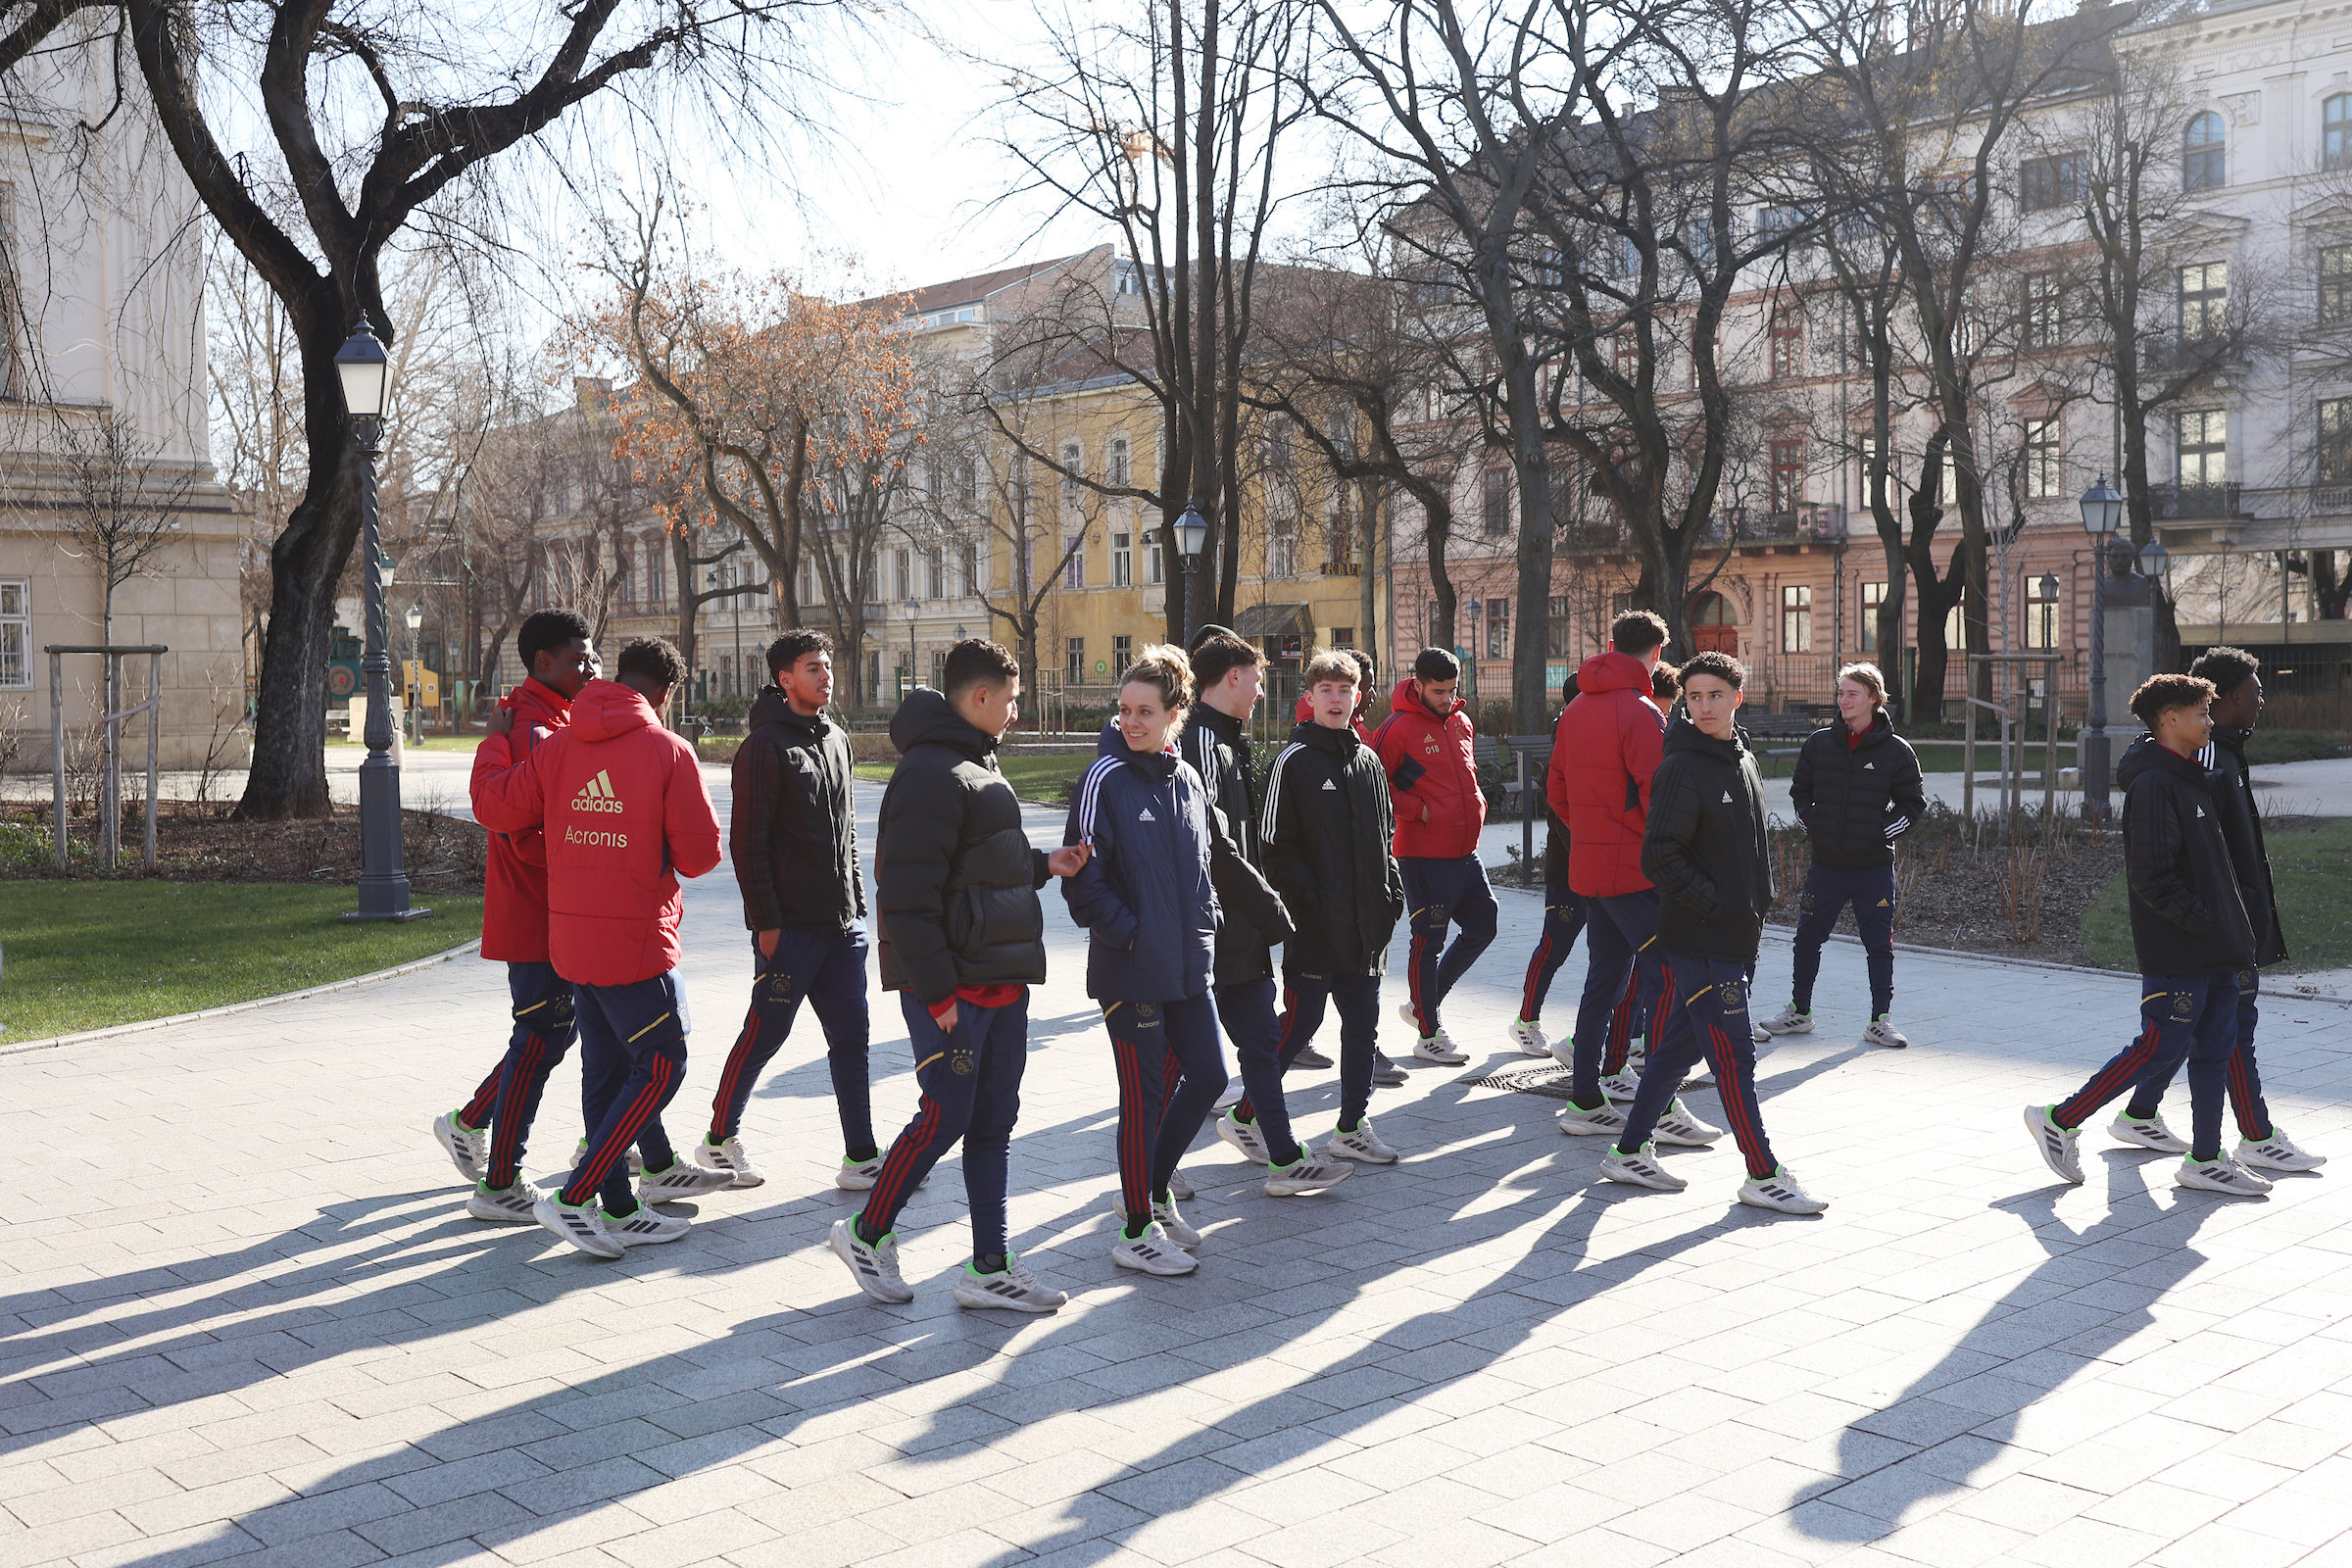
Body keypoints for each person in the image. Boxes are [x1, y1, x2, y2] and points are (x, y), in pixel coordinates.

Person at [829, 639, 1091, 1311]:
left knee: (993, 1120)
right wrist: (938, 993)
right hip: (955, 989)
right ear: (978, 698)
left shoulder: (973, 762)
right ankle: (866, 1230)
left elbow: (978, 864)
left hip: (999, 976)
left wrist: (1042, 865)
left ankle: (989, 1267)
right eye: (1009, 698)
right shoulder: (931, 774)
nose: (1014, 710)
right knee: (946, 1115)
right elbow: (907, 894)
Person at [470, 637, 738, 1258]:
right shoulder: (669, 752)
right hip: (636, 939)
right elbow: (700, 857)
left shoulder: (561, 744)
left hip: (570, 940)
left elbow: (495, 806)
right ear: (666, 693)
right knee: (664, 1062)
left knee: (606, 1065)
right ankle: (576, 1197)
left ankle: (619, 1206)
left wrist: (493, 742)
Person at [1065, 647, 1303, 1275]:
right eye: (1123, 711)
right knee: (1142, 1097)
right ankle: (1137, 1228)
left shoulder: (1188, 779)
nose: (1131, 722)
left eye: (1146, 711)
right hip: (1130, 970)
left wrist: (1208, 926)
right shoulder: (1105, 779)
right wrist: (1134, 936)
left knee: (1208, 1076)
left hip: (1190, 965)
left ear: (1176, 714)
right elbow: (1083, 884)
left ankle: (1154, 1188)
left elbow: (1204, 869)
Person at [2025, 673, 2275, 1197]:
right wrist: (2205, 924)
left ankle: (2205, 1158)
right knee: (2159, 1047)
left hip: (2217, 949)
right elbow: (2151, 876)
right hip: (2182, 949)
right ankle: (2061, 1118)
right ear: (2170, 720)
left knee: (2213, 1051)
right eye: (2202, 713)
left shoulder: (2189, 776)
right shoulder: (2156, 784)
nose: (2211, 721)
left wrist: (2230, 931)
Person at [1598, 652, 1828, 1214]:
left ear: (1736, 698)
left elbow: (1751, 844)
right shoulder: (1681, 764)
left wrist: (1757, 902)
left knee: (1676, 1051)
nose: (1703, 706)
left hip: (1734, 935)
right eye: (1693, 697)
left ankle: (1628, 1153)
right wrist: (1719, 905)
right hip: (1702, 938)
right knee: (1734, 1056)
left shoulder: (1738, 756)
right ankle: (1762, 1173)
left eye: (1714, 696)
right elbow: (1660, 856)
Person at [2108, 649, 2323, 1172]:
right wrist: (2216, 922)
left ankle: (2140, 1114)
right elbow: (2181, 857)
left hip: (2230, 921)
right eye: (2253, 692)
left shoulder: (2221, 753)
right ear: (2222, 700)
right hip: (2217, 928)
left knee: (2194, 1031)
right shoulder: (2205, 761)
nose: (2261, 701)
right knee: (2227, 1030)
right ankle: (2254, 1136)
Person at [431, 610, 602, 1223]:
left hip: (557, 911)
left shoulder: (557, 717)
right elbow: (522, 826)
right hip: (539, 913)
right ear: (543, 663)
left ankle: (471, 1122)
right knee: (540, 1038)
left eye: (593, 656)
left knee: (552, 1035)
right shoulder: (532, 725)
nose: (590, 666)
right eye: (579, 658)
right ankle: (500, 1181)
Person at [697, 629, 878, 1193]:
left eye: (827, 666)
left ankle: (862, 1155)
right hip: (790, 930)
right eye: (812, 668)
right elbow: (747, 845)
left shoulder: (837, 741)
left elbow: (848, 832)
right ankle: (720, 1139)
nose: (826, 676)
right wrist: (767, 925)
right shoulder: (763, 748)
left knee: (852, 1038)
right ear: (784, 679)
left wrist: (857, 902)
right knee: (766, 1032)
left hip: (841, 927)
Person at [1182, 630, 1356, 1198]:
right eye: (1256, 679)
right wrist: (1268, 910)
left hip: (1243, 927)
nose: (1261, 690)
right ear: (1232, 677)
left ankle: (1282, 1156)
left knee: (1259, 1041)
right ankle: (1149, 1173)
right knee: (1186, 1062)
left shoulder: (1227, 739)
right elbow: (1212, 848)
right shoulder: (1203, 743)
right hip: (1218, 928)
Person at [1257, 648, 1408, 1164]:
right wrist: (1311, 907)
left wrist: (1392, 897)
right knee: (1301, 1024)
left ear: (1359, 697)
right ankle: (1247, 1114)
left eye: (1346, 691)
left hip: (1367, 929)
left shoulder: (1368, 760)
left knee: (1363, 1025)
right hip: (1315, 931)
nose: (1337, 699)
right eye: (1327, 691)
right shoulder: (1293, 761)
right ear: (1310, 698)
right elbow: (1274, 847)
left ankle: (1351, 1126)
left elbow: (1386, 836)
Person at [1549, 611, 1672, 1139]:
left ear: (1611, 645)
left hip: (1591, 864)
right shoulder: (1643, 711)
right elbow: (1658, 797)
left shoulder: (1576, 705)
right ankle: (1662, 1109)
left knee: (1604, 980)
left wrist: (1595, 830)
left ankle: (1584, 1097)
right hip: (1635, 868)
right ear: (1658, 654)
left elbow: (1556, 791)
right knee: (1664, 979)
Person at [1762, 662, 1926, 1049]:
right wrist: (1812, 822)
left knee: (1878, 945)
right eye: (1840, 693)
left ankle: (1879, 1021)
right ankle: (1799, 1013)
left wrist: (1880, 833)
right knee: (1806, 939)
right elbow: (1800, 790)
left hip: (1873, 868)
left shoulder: (1896, 751)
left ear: (1874, 698)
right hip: (1828, 866)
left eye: (1852, 693)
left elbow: (1912, 804)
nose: (1844, 700)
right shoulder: (1820, 743)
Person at [1374, 648, 1493, 1066]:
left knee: (1484, 925)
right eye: (1438, 690)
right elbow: (1376, 784)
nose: (1446, 697)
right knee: (1429, 940)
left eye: (1452, 690)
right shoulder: (1398, 727)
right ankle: (1428, 1033)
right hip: (1422, 853)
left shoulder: (1461, 722)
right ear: (1418, 684)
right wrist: (1419, 811)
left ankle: (1422, 1004)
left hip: (1464, 849)